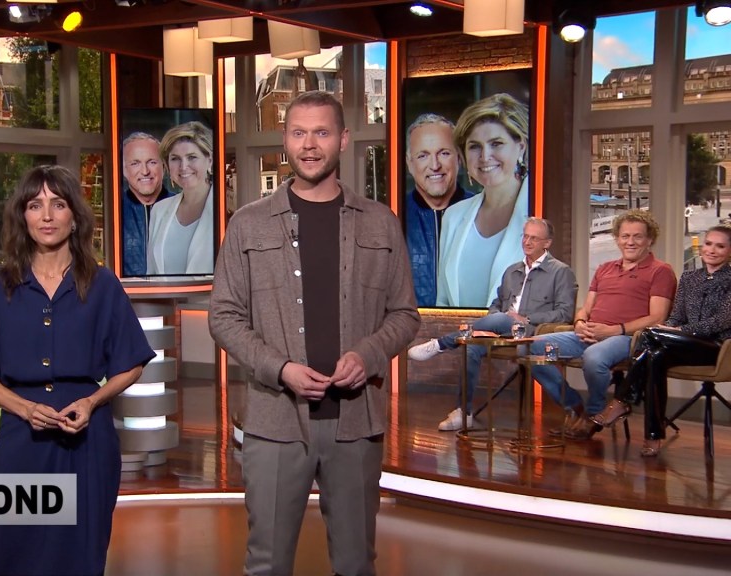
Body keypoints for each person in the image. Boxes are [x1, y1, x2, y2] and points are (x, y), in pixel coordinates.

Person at [209, 91, 420, 576]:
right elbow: (224, 315)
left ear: (342, 139)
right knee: (267, 564)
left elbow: (405, 314)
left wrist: (368, 355)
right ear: (285, 140)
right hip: (275, 422)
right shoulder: (247, 225)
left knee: (355, 563)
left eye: (321, 132)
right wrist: (280, 368)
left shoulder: (381, 223)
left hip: (356, 424)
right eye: (299, 133)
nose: (309, 144)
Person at [0, 165, 154, 576]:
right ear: (22, 216)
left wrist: (92, 401)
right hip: (21, 438)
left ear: (74, 216)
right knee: (7, 552)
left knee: (79, 556)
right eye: (35, 205)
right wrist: (24, 408)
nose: (46, 216)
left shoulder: (102, 284)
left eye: (58, 205)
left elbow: (131, 362)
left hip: (87, 443)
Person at [409, 218, 577, 431]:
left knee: (502, 319)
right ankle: (463, 412)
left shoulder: (561, 272)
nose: (527, 242)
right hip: (502, 330)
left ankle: (442, 343)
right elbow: (497, 303)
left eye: (534, 238)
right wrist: (494, 320)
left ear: (547, 243)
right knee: (473, 345)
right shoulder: (512, 271)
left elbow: (564, 313)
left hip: (533, 332)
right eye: (525, 236)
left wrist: (526, 318)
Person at [529, 210, 677, 440]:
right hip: (589, 333)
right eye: (625, 236)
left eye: (637, 236)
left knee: (594, 357)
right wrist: (580, 322)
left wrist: (614, 330)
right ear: (617, 238)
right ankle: (574, 405)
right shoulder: (605, 268)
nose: (630, 242)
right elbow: (585, 309)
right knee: (531, 346)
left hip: (628, 337)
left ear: (650, 240)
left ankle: (594, 414)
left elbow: (657, 317)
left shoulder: (661, 271)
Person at [592, 225, 731, 456]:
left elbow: (720, 323)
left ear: (729, 251)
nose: (712, 250)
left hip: (717, 348)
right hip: (681, 343)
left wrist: (678, 330)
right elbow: (676, 316)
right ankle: (653, 435)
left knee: (650, 335)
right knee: (654, 356)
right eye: (708, 244)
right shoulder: (689, 277)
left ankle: (622, 401)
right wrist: (670, 327)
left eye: (720, 246)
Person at [437, 93, 530, 308]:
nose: (485, 156)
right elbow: (442, 301)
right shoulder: (453, 216)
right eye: (474, 146)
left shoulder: (540, 211)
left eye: (496, 143)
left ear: (520, 147)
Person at [404, 113, 473, 306]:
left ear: (459, 158)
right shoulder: (394, 218)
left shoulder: (484, 213)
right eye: (423, 156)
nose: (434, 166)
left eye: (444, 153)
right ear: (409, 163)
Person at [147, 120, 214, 275]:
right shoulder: (159, 210)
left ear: (209, 161)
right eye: (175, 158)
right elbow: (151, 273)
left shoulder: (224, 210)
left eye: (192, 157)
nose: (183, 167)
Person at [120, 132, 173, 276]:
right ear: (124, 170)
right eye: (135, 163)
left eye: (152, 162)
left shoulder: (183, 208)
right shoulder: (114, 212)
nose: (145, 171)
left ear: (164, 166)